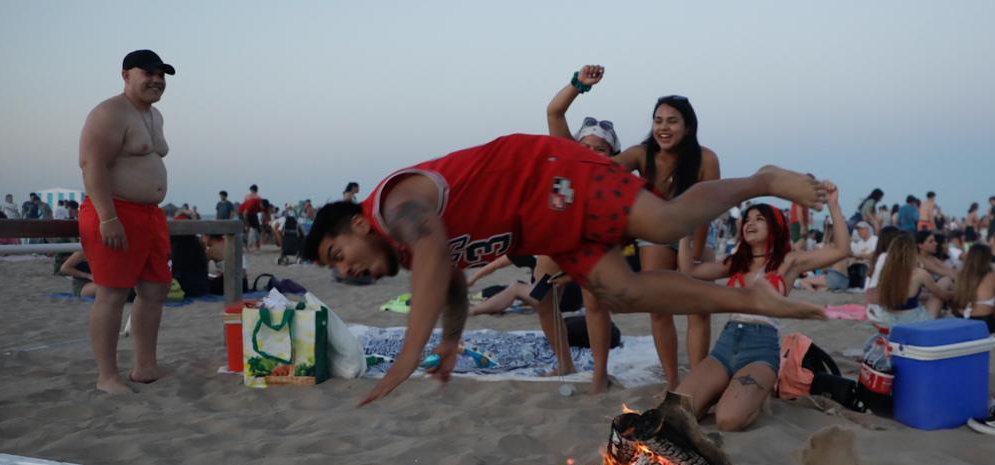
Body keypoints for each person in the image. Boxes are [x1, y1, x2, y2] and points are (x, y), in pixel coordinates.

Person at [301, 133, 829, 406]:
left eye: (338, 256)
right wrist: (449, 343)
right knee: (621, 292)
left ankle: (761, 180)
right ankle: (752, 300)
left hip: (549, 177)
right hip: (543, 230)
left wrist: (408, 357)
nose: (349, 272)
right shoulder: (411, 247)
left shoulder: (392, 208)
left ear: (358, 224)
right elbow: (453, 281)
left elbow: (438, 256)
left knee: (665, 224)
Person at [677, 194, 850, 431]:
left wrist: (832, 204)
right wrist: (685, 230)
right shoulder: (736, 262)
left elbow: (842, 249)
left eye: (759, 219)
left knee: (727, 421)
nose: (750, 223)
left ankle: (752, 397)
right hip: (724, 347)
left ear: (775, 226)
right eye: (747, 219)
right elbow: (688, 271)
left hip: (760, 351)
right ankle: (725, 389)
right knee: (677, 412)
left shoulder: (788, 262)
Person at [77, 49, 176, 394]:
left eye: (161, 74)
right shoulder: (109, 112)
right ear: (125, 75)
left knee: (155, 288)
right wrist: (107, 217)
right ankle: (107, 377)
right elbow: (92, 165)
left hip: (150, 215)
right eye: (147, 72)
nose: (156, 79)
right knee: (112, 293)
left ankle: (145, 368)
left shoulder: (155, 116)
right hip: (115, 210)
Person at [613, 94, 722, 389]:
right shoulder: (642, 154)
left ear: (687, 127)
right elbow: (603, 169)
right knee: (659, 307)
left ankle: (697, 381)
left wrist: (696, 255)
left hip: (696, 228)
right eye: (658, 120)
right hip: (657, 231)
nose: (664, 127)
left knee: (699, 305)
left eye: (672, 121)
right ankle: (673, 382)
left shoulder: (706, 159)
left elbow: (706, 213)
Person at [542, 64, 621, 393]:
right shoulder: (567, 157)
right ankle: (564, 361)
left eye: (599, 149)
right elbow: (554, 111)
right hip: (559, 236)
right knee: (540, 295)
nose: (590, 152)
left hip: (594, 240)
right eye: (585, 146)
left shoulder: (615, 176)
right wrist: (579, 84)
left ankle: (599, 373)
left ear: (611, 155)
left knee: (593, 303)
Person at [870, 233, 953, 321]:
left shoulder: (886, 272)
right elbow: (944, 295)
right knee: (946, 281)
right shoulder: (919, 273)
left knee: (928, 296)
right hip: (913, 321)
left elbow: (904, 298)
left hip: (888, 318)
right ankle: (962, 312)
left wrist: (928, 296)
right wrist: (958, 295)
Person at [952, 244, 995, 333]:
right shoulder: (993, 276)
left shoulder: (960, 274)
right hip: (984, 323)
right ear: (987, 259)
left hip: (962, 319)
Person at [849, 221, 878, 288]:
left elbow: (873, 256)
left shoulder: (874, 240)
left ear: (867, 229)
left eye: (861, 229)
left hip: (870, 265)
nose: (859, 231)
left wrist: (857, 256)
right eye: (858, 230)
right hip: (861, 265)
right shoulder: (859, 243)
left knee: (862, 267)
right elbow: (856, 257)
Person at [238, 184, 263, 251]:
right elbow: (246, 210)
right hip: (247, 213)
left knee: (248, 229)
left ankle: (248, 246)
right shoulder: (258, 197)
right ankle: (255, 246)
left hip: (248, 213)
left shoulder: (248, 196)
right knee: (254, 229)